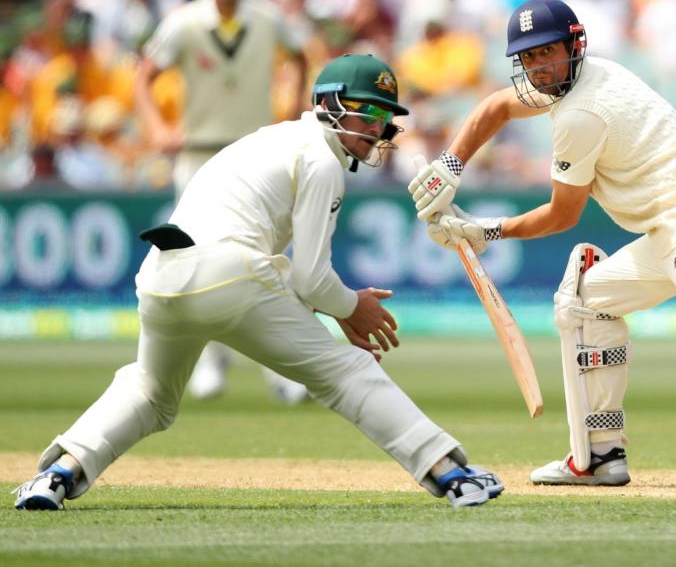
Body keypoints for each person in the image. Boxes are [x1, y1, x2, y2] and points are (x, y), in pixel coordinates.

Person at [14, 54, 504, 511]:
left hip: (163, 275)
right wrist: (352, 306)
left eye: (382, 119)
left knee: (149, 392)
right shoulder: (322, 160)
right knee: (347, 371)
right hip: (230, 273)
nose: (374, 130)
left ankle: (57, 475)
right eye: (364, 113)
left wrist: (327, 304)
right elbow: (312, 277)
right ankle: (452, 475)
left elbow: (289, 276)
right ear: (328, 104)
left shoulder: (270, 139)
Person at [409, 0, 676, 488]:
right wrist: (450, 167)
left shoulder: (581, 112)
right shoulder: (573, 80)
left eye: (548, 53)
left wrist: (487, 230)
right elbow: (496, 106)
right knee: (586, 301)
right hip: (670, 232)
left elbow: (563, 214)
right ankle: (599, 455)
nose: (540, 68)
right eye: (528, 58)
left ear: (574, 45)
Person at [134, 0, 309, 403]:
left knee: (269, 257)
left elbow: (299, 57)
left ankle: (283, 372)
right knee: (196, 258)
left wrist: (291, 107)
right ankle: (209, 363)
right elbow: (144, 75)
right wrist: (157, 126)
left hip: (256, 152)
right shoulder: (185, 22)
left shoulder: (267, 18)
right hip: (199, 154)